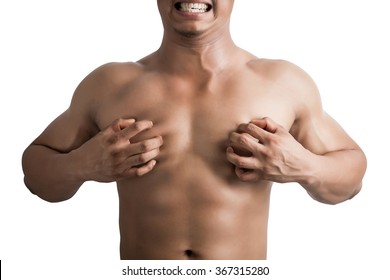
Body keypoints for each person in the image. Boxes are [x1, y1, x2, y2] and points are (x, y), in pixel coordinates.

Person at [22, 0, 367, 260]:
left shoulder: (281, 83)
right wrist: (83, 165)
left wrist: (304, 166)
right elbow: (35, 174)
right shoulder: (109, 84)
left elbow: (351, 179)